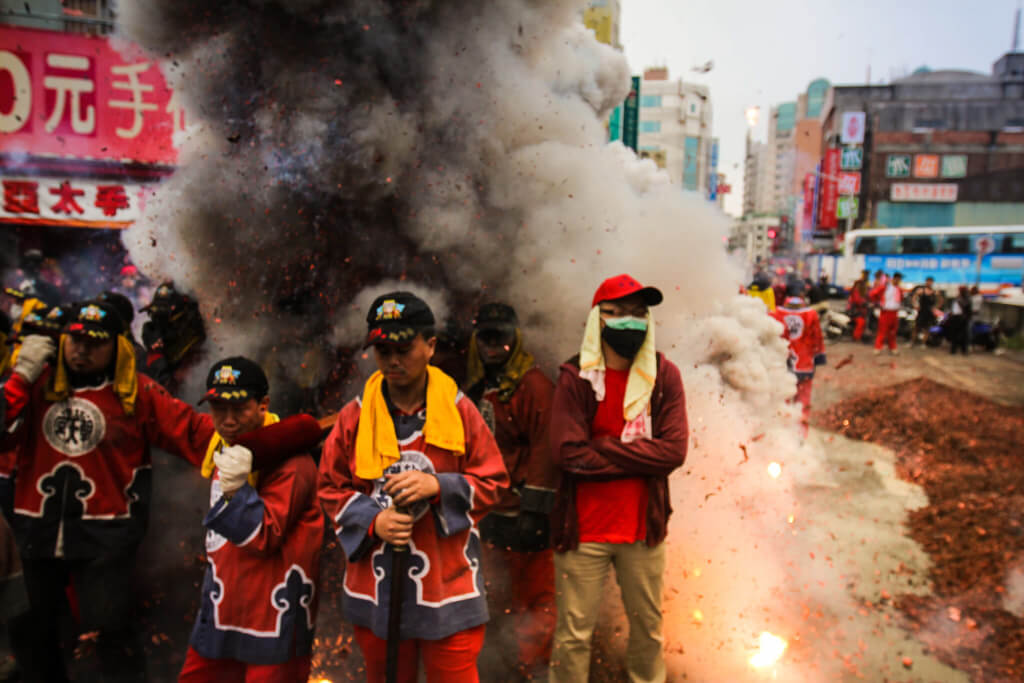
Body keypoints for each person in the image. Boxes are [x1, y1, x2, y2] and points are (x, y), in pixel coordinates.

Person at [1, 300, 216, 682]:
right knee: (33, 635)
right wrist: (20, 377)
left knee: (112, 639)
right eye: (76, 339)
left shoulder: (137, 391)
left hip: (106, 542)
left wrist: (260, 444)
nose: (82, 349)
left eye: (95, 343)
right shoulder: (36, 385)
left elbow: (194, 433)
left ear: (116, 346)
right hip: (36, 537)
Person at [318, 291, 508, 683]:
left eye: (403, 348)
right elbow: (329, 487)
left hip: (447, 586)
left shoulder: (460, 411)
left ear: (431, 346)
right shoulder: (354, 416)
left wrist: (438, 485)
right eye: (382, 350)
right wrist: (374, 521)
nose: (392, 360)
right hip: (376, 588)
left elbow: (494, 483)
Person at [547, 274, 688, 683]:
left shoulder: (664, 376)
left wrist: (604, 446)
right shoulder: (576, 378)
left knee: (648, 631)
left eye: (638, 313)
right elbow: (567, 456)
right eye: (617, 313)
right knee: (573, 636)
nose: (629, 321)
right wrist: (644, 457)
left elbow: (673, 452)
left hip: (643, 531)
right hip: (583, 533)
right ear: (597, 320)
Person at [178, 357, 325, 682]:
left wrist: (234, 488)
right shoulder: (223, 447)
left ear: (263, 406)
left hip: (272, 619)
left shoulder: (294, 464)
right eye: (218, 408)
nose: (228, 420)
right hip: (222, 610)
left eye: (239, 409)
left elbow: (262, 535)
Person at [465, 302, 556, 679]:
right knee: (494, 597)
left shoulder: (533, 385)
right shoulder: (474, 389)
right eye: (485, 338)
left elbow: (546, 446)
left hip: (524, 513)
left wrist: (535, 510)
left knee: (535, 599)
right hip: (488, 513)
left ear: (514, 339)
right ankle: (498, 668)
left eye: (500, 338)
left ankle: (533, 668)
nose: (492, 347)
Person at [770, 281, 826, 436]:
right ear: (802, 295)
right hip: (805, 365)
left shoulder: (776, 313)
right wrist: (819, 357)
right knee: (803, 403)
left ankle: (782, 435)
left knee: (783, 401)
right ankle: (801, 435)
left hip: (783, 365)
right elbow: (817, 339)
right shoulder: (811, 314)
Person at [140, 281, 207, 394]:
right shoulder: (152, 350)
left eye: (164, 316)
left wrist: (159, 361)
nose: (157, 323)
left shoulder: (198, 354)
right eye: (155, 315)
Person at [871, 271, 903, 355]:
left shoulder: (899, 289)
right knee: (882, 331)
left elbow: (901, 299)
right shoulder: (886, 287)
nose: (899, 281)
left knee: (893, 332)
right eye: (898, 279)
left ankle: (893, 348)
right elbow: (873, 294)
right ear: (895, 278)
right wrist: (877, 303)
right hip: (885, 312)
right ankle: (878, 348)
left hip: (894, 312)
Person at [911, 277, 941, 347]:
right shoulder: (921, 290)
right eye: (928, 281)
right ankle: (912, 342)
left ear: (932, 282)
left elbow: (940, 300)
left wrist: (935, 308)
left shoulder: (934, 292)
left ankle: (923, 343)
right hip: (921, 311)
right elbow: (914, 298)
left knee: (927, 328)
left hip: (929, 312)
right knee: (916, 327)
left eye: (930, 281)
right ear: (926, 282)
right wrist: (915, 305)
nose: (929, 283)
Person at [947, 287, 972, 355]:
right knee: (954, 334)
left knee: (963, 335)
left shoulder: (965, 298)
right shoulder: (958, 298)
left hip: (961, 318)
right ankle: (953, 350)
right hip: (956, 317)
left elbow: (966, 307)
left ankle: (963, 350)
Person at [847, 276, 870, 342]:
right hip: (854, 312)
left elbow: (867, 299)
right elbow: (858, 301)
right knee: (861, 322)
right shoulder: (855, 291)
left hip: (860, 311)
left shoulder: (862, 292)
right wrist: (864, 304)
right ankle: (856, 337)